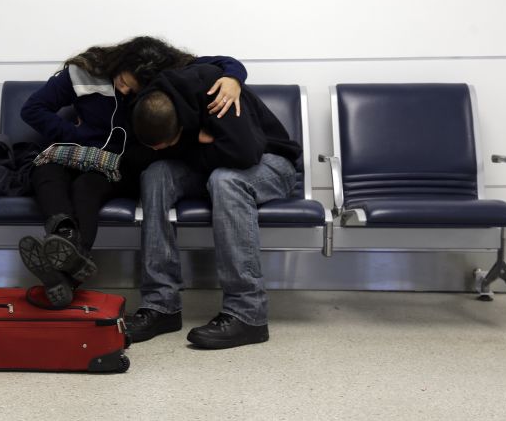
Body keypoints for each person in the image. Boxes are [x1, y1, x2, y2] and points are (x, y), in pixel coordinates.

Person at [19, 36, 249, 307]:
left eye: (133, 89)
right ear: (120, 61)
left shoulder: (164, 76)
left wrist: (234, 78)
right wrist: (79, 136)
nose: (126, 91)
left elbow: (225, 63)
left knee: (85, 188)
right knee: (45, 171)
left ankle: (65, 272)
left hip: (120, 165)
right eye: (125, 82)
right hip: (77, 152)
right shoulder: (85, 71)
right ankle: (66, 238)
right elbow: (32, 109)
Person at [127, 63, 302, 349]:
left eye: (165, 144)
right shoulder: (147, 102)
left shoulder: (216, 93)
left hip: (271, 163)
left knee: (226, 180)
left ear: (180, 125)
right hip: (214, 160)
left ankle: (248, 313)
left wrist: (188, 148)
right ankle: (161, 305)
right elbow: (140, 157)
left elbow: (243, 154)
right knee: (155, 174)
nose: (159, 150)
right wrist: (193, 145)